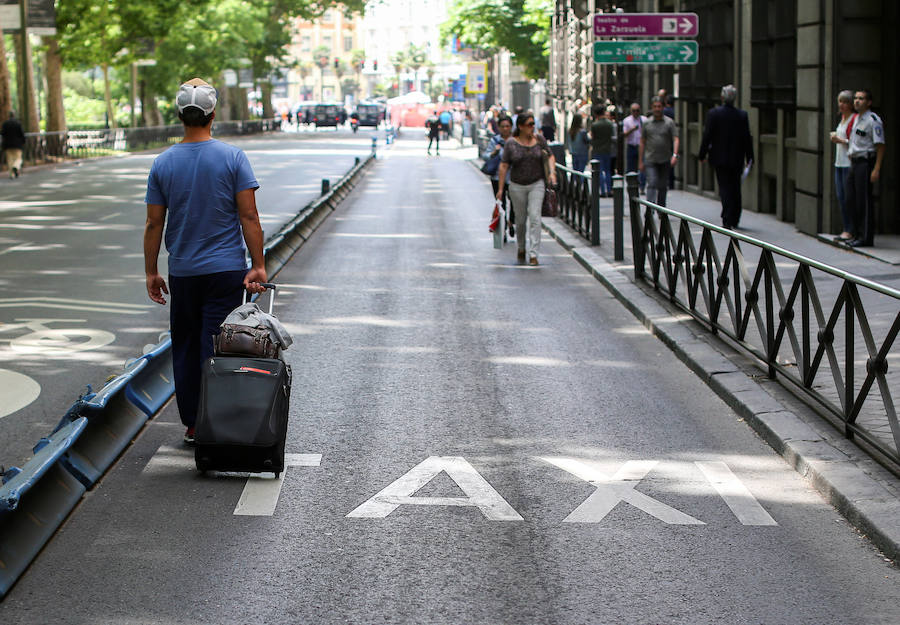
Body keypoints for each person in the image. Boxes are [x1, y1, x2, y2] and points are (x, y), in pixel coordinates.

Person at [143, 77, 267, 446]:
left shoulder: (163, 163)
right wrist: (258, 265)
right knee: (218, 346)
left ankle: (195, 424)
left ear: (180, 115)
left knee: (184, 346)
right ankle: (220, 420)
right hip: (227, 270)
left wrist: (151, 271)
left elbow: (154, 222)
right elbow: (249, 217)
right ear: (213, 114)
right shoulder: (232, 157)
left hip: (183, 272)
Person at [496, 112, 557, 266]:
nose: (532, 127)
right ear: (521, 127)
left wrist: (552, 173)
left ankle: (534, 253)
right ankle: (521, 247)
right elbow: (504, 166)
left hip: (537, 183)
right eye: (529, 124)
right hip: (517, 186)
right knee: (521, 220)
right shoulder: (511, 143)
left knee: (535, 217)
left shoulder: (539, 140)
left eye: (533, 124)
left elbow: (550, 155)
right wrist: (501, 189)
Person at [698, 84, 753, 229]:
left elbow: (707, 136)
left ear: (722, 97)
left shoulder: (714, 114)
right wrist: (750, 157)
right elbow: (747, 137)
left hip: (719, 158)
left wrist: (702, 155)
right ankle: (734, 217)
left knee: (724, 188)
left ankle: (727, 217)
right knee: (735, 187)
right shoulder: (742, 115)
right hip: (737, 158)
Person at [844, 89, 885, 247]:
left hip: (866, 163)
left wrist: (876, 168)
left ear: (869, 102)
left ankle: (866, 237)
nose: (857, 101)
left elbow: (880, 145)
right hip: (854, 162)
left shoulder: (873, 120)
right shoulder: (856, 119)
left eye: (861, 98)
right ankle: (856, 233)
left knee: (864, 201)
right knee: (851, 199)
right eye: (855, 98)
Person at [639, 96, 679, 207]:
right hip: (650, 159)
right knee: (652, 183)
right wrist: (640, 161)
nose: (657, 109)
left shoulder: (669, 122)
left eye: (659, 106)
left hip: (665, 159)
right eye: (655, 106)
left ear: (663, 107)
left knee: (662, 186)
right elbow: (642, 142)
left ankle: (661, 209)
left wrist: (674, 155)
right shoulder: (647, 123)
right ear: (652, 107)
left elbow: (675, 138)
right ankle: (650, 210)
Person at [829, 90, 856, 242]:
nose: (842, 105)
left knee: (847, 198)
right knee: (841, 197)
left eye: (845, 102)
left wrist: (841, 141)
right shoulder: (842, 119)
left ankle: (850, 230)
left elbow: (854, 141)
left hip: (848, 163)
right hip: (839, 163)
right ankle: (846, 228)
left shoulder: (853, 119)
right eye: (840, 101)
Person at [484, 115, 515, 238]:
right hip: (497, 177)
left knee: (514, 203)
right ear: (499, 128)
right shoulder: (495, 140)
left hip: (513, 177)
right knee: (500, 203)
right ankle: (504, 226)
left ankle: (511, 222)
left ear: (511, 127)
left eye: (508, 126)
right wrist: (494, 152)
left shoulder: (515, 140)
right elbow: (486, 156)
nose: (505, 129)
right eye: (503, 126)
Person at [589, 104, 613, 197]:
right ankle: (609, 190)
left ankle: (602, 191)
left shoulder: (595, 125)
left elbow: (593, 137)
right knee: (608, 171)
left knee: (599, 171)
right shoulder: (609, 124)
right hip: (607, 149)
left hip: (597, 149)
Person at [622, 103, 646, 192]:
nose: (636, 112)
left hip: (642, 146)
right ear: (631, 111)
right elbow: (624, 134)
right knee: (631, 168)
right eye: (634, 110)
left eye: (637, 110)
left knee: (642, 167)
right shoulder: (627, 120)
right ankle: (631, 185)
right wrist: (632, 129)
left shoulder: (644, 120)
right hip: (631, 146)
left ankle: (642, 186)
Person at [1, 111, 26, 178]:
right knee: (18, 159)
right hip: (17, 144)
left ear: (9, 116)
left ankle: (12, 174)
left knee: (10, 160)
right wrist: (23, 142)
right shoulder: (18, 123)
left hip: (8, 145)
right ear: (14, 115)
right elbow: (22, 134)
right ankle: (16, 167)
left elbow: (3, 134)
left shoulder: (5, 124)